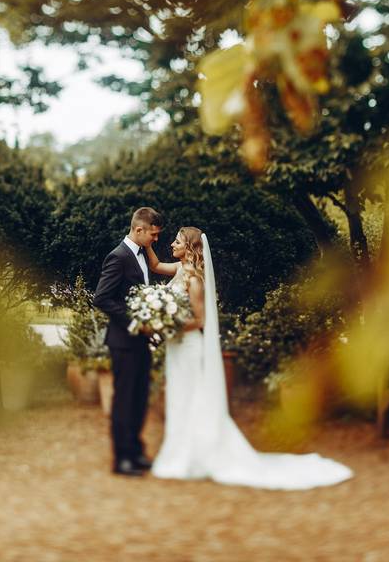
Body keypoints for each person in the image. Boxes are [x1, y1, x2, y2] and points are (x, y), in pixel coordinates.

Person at [145, 226, 353, 490]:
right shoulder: (179, 271)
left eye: (176, 242)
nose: (171, 245)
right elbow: (153, 265)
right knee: (179, 397)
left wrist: (169, 326)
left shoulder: (194, 280)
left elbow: (201, 320)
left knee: (193, 397)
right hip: (177, 348)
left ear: (189, 248)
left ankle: (194, 457)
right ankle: (180, 453)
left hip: (189, 346)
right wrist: (145, 237)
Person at [92, 207, 163, 477]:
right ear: (139, 230)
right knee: (124, 399)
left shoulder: (144, 254)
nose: (155, 239)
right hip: (123, 340)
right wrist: (134, 322)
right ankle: (121, 459)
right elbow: (102, 298)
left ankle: (135, 450)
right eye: (153, 235)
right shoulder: (118, 257)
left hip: (141, 342)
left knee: (139, 397)